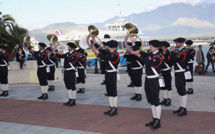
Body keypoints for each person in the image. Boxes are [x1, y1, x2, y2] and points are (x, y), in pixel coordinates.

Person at [130, 40, 163, 130]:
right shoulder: (150, 54)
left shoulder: (159, 56)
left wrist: (139, 55)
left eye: (151, 46)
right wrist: (133, 44)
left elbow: (150, 63)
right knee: (151, 100)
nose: (150, 47)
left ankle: (158, 121)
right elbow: (141, 53)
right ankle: (154, 118)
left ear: (156, 47)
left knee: (156, 100)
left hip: (154, 80)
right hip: (148, 79)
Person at [91, 38, 120, 116]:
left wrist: (97, 53)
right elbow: (101, 49)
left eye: (109, 46)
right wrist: (94, 42)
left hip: (112, 74)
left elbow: (108, 58)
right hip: (107, 73)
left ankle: (115, 108)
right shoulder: (109, 51)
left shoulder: (115, 54)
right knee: (109, 91)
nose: (108, 48)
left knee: (113, 91)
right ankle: (111, 107)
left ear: (113, 47)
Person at [55, 42, 78, 107]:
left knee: (72, 85)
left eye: (68, 47)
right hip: (66, 71)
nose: (68, 48)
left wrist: (63, 54)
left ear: (71, 47)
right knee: (68, 85)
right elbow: (60, 55)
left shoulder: (75, 54)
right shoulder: (68, 54)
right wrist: (56, 49)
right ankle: (70, 99)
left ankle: (73, 100)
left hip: (71, 71)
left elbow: (70, 59)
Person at [170, 37, 189, 116]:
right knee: (179, 90)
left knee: (182, 90)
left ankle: (184, 109)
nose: (176, 44)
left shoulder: (183, 52)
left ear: (181, 43)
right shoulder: (179, 51)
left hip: (181, 73)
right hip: (177, 72)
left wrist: (172, 52)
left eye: (177, 43)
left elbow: (178, 60)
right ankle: (181, 107)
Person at [160, 41, 173, 106]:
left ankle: (169, 99)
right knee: (163, 85)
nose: (161, 47)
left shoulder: (169, 53)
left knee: (168, 85)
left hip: (167, 70)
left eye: (162, 46)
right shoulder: (161, 53)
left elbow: (171, 62)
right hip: (162, 71)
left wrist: (164, 58)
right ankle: (165, 98)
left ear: (165, 47)